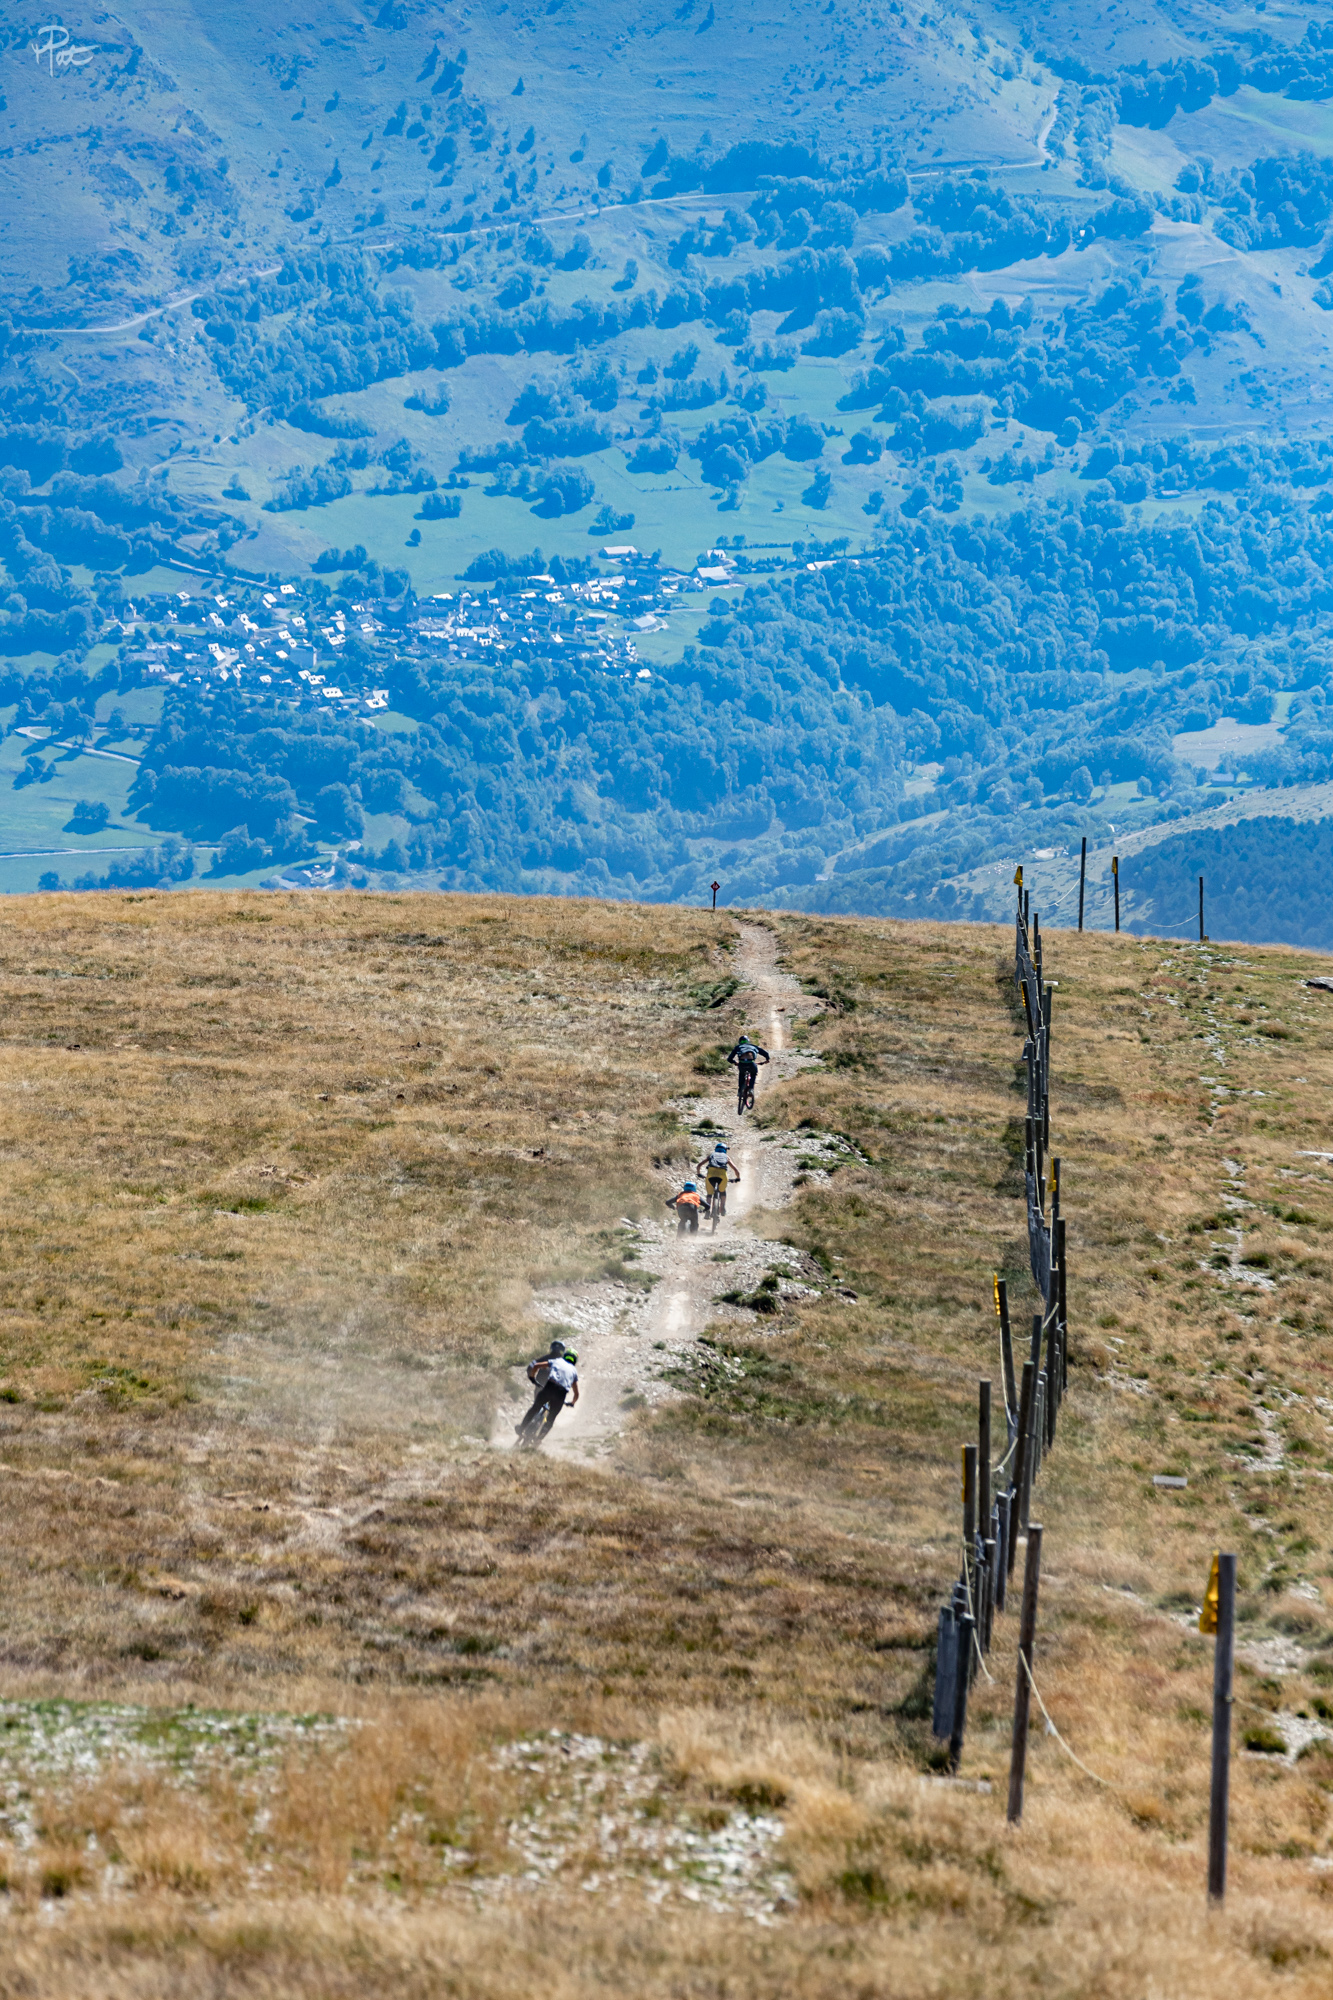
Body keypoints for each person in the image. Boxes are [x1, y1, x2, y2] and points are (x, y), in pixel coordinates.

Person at [516, 1346, 579, 1443]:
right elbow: (576, 1393)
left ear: (565, 1355)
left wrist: (532, 1378)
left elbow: (536, 1366)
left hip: (549, 1388)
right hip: (561, 1394)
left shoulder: (557, 1361)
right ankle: (539, 1439)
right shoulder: (574, 1371)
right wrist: (572, 1403)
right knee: (551, 1418)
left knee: (535, 1408)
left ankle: (521, 1428)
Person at [697, 1140, 740, 1216]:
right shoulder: (726, 1157)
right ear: (725, 1150)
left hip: (710, 1175)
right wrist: (738, 1178)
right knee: (722, 1192)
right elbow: (736, 1169)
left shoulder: (711, 1155)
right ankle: (722, 1208)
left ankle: (707, 1211)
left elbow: (699, 1165)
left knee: (709, 1194)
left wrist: (699, 1174)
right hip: (722, 1176)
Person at [728, 1035, 770, 1109]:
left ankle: (740, 1091)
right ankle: (751, 1089)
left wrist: (735, 1062)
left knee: (741, 1074)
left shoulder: (737, 1047)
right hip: (751, 1064)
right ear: (748, 1041)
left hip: (742, 1064)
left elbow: (729, 1059)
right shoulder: (754, 1046)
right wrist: (767, 1059)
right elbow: (765, 1053)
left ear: (740, 1042)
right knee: (753, 1074)